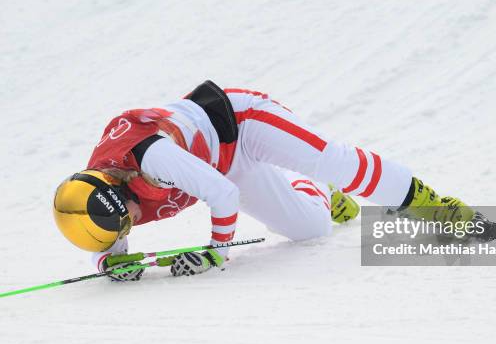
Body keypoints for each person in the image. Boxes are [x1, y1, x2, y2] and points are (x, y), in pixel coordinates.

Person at [53, 80, 473, 281]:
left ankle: (434, 206)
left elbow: (222, 195)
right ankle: (323, 194)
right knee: (311, 230)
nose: (129, 224)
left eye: (125, 220)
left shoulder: (150, 158)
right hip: (220, 163)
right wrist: (109, 261)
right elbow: (106, 234)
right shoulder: (101, 192)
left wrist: (218, 252)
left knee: (331, 160)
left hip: (243, 123)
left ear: (116, 187)